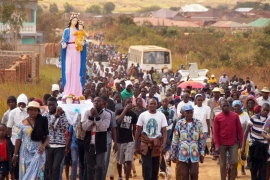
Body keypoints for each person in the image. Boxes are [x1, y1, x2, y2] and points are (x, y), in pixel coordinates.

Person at [12, 101, 49, 180]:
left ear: (38, 111)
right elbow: (18, 139)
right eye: (31, 110)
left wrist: (43, 145)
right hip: (25, 152)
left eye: (35, 110)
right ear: (28, 111)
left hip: (39, 151)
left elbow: (47, 137)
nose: (33, 112)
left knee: (38, 173)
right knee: (26, 173)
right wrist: (15, 154)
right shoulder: (22, 123)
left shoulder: (42, 122)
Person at [134, 98, 167, 180]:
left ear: (157, 105)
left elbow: (164, 131)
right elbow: (137, 130)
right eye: (151, 103)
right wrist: (135, 146)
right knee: (147, 166)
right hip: (145, 143)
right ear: (147, 105)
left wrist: (164, 143)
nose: (152, 105)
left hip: (156, 143)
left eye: (154, 103)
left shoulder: (161, 115)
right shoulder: (143, 115)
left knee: (155, 166)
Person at [171, 105, 205, 180]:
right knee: (184, 175)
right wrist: (173, 154)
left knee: (194, 173)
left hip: (194, 153)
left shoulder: (198, 123)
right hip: (183, 153)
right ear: (184, 113)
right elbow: (175, 139)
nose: (189, 114)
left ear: (193, 113)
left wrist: (202, 153)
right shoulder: (179, 124)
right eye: (187, 112)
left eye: (191, 112)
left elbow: (201, 139)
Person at [214, 99, 243, 180]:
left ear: (230, 106)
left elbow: (240, 130)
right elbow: (215, 132)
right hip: (222, 143)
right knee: (222, 164)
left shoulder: (235, 116)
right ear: (221, 107)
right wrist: (216, 145)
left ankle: (232, 178)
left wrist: (241, 143)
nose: (226, 107)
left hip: (233, 143)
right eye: (224, 106)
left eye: (227, 106)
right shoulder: (217, 117)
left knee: (235, 161)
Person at [82, 97, 111, 180]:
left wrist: (97, 116)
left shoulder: (107, 114)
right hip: (89, 143)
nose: (96, 102)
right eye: (95, 101)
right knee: (89, 167)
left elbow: (103, 128)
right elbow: (85, 127)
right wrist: (91, 116)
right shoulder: (87, 112)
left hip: (100, 144)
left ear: (103, 103)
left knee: (99, 166)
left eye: (98, 101)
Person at [241, 103, 270, 180]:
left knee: (263, 168)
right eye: (264, 110)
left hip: (264, 146)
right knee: (253, 167)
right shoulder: (253, 118)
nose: (265, 112)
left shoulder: (268, 121)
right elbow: (246, 132)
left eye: (267, 111)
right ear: (261, 109)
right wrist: (243, 147)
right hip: (254, 145)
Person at [43, 97, 69, 180]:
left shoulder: (63, 114)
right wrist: (56, 116)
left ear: (57, 105)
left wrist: (59, 116)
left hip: (60, 146)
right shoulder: (45, 115)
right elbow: (49, 127)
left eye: (52, 105)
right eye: (49, 105)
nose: (50, 107)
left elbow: (65, 127)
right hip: (49, 145)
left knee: (56, 167)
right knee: (49, 168)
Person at [61, 13, 87, 96]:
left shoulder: (78, 30)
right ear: (71, 20)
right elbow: (63, 40)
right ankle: (68, 90)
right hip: (69, 49)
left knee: (76, 71)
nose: (75, 22)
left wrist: (82, 43)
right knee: (68, 71)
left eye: (76, 21)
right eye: (74, 20)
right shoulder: (67, 30)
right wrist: (64, 44)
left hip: (76, 50)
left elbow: (83, 39)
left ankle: (76, 92)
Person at [7, 93, 28, 180]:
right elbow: (9, 128)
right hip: (15, 141)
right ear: (18, 103)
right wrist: (12, 140)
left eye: (23, 104)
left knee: (25, 161)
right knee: (15, 161)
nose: (22, 106)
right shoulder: (12, 113)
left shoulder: (28, 112)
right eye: (20, 104)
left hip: (26, 141)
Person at [115, 98, 137, 180]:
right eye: (127, 102)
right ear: (123, 103)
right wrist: (125, 110)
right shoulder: (118, 111)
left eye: (130, 102)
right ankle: (120, 176)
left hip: (129, 140)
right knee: (119, 161)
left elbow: (134, 129)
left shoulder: (134, 115)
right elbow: (118, 122)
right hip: (119, 140)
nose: (129, 104)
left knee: (128, 160)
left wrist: (135, 142)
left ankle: (127, 178)